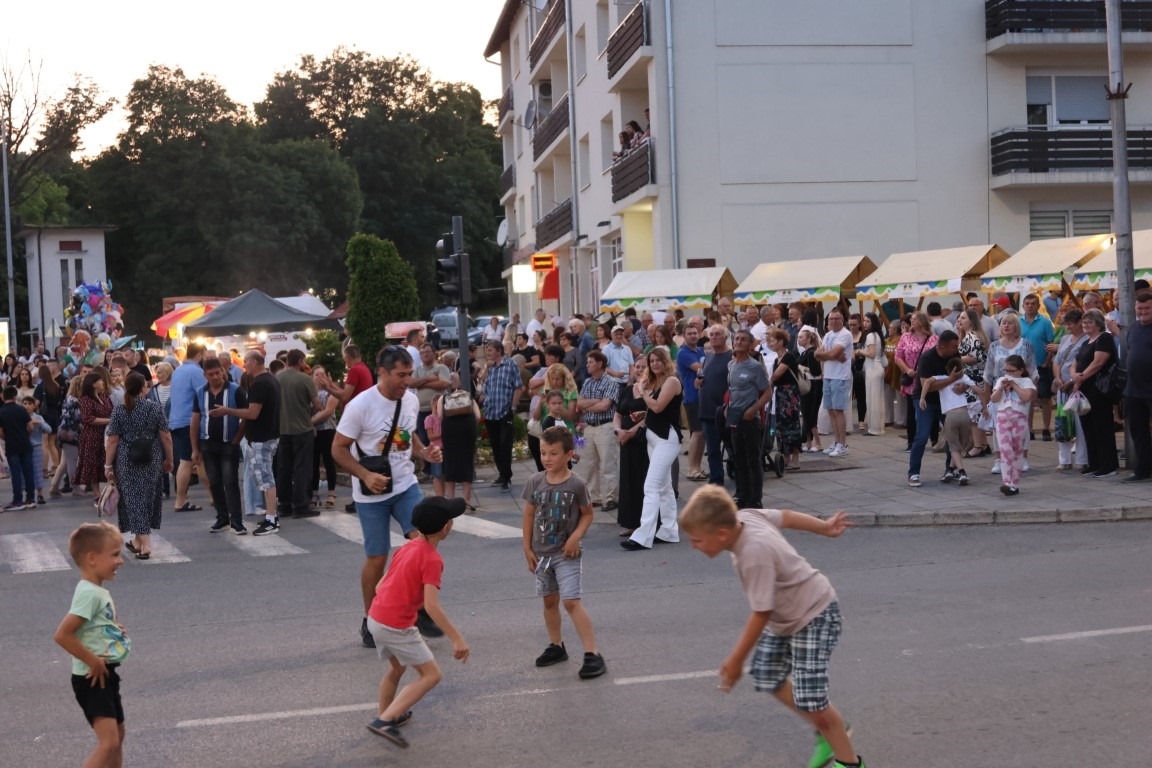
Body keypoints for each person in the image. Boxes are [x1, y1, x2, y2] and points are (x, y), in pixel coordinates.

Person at [678, 485, 865, 768]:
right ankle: (826, 731)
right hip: (787, 619)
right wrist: (824, 528)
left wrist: (735, 660)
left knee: (812, 701)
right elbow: (787, 516)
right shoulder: (745, 516)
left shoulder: (753, 554)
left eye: (697, 540)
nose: (693, 546)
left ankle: (848, 761)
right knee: (767, 673)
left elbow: (761, 612)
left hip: (814, 616)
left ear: (721, 534)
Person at [332, 346, 444, 647]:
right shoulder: (360, 406)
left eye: (409, 374)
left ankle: (419, 609)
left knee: (424, 541)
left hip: (405, 485)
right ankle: (370, 620)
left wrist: (423, 451)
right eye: (401, 375)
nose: (407, 381)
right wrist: (365, 475)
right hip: (372, 493)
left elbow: (407, 433)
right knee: (377, 557)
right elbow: (338, 448)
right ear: (382, 372)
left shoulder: (407, 400)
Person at [364, 496, 470, 749]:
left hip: (376, 618)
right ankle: (385, 720)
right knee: (431, 675)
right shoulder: (432, 559)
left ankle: (387, 714)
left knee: (397, 669)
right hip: (396, 626)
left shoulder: (407, 547)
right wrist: (457, 638)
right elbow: (431, 605)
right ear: (446, 528)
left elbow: (381, 585)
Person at [521, 425, 606, 678]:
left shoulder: (577, 484)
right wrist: (526, 548)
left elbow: (588, 514)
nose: (547, 458)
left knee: (570, 601)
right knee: (549, 600)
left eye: (553, 453)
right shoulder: (535, 481)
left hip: (566, 554)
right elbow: (528, 514)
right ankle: (556, 646)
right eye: (543, 453)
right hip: (541, 554)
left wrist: (576, 537)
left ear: (569, 454)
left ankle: (593, 654)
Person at [53, 522, 132, 768]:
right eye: (115, 555)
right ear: (92, 558)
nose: (120, 561)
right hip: (92, 677)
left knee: (118, 736)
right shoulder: (89, 593)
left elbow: (94, 626)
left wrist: (113, 630)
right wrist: (94, 661)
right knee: (108, 742)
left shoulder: (96, 590)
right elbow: (63, 634)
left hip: (104, 673)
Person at [211, 351, 280, 534]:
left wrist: (228, 411)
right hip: (270, 435)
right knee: (266, 476)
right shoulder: (272, 380)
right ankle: (272, 516)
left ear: (256, 362)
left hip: (261, 437)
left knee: (266, 479)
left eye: (247, 362)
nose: (244, 365)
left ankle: (271, 518)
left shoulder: (259, 384)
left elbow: (252, 413)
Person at [621, 347, 683, 551]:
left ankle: (642, 536)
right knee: (664, 487)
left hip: (667, 438)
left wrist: (644, 393)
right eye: (652, 361)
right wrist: (642, 414)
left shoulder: (672, 381)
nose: (655, 364)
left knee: (651, 486)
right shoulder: (655, 383)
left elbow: (658, 407)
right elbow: (653, 411)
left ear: (666, 361)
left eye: (658, 360)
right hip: (653, 437)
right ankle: (668, 531)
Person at [106, 373, 173, 559]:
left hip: (127, 459)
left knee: (132, 499)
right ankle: (138, 541)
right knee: (146, 498)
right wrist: (170, 459)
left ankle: (145, 544)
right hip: (152, 456)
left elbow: (112, 440)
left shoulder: (120, 410)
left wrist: (107, 465)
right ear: (143, 388)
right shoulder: (155, 407)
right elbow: (166, 436)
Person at [190, 358, 248, 534]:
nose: (215, 377)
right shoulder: (200, 392)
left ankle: (236, 520)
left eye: (218, 372)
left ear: (223, 371)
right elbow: (195, 421)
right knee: (214, 482)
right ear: (205, 375)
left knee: (230, 482)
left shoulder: (235, 390)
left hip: (228, 443)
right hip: (208, 443)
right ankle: (222, 517)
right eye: (211, 374)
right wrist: (195, 448)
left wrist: (237, 438)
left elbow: (246, 415)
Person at [984, 312, 1038, 475]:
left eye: (1010, 323)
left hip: (1021, 388)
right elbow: (988, 371)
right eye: (1003, 323)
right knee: (998, 426)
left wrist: (1033, 391)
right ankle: (999, 459)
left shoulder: (1026, 344)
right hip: (1000, 388)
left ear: (1017, 326)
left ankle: (1023, 457)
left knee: (1023, 425)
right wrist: (987, 396)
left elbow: (1032, 369)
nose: (1006, 326)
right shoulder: (994, 346)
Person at [907, 330, 961, 488]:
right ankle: (913, 473)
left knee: (952, 435)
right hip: (924, 399)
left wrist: (961, 385)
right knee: (922, 435)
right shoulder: (927, 358)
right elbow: (926, 385)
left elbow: (961, 375)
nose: (956, 349)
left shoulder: (954, 355)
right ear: (942, 346)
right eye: (953, 346)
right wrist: (951, 380)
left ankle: (951, 469)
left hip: (945, 400)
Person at [1071, 309, 1119, 479]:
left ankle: (1108, 465)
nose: (1085, 325)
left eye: (1089, 322)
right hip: (1084, 389)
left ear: (1098, 323)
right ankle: (1095, 463)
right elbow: (1075, 363)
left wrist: (1080, 378)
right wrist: (1075, 375)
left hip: (1098, 390)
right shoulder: (1085, 343)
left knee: (1102, 427)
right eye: (1084, 322)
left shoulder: (1104, 338)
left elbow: (1098, 362)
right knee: (1088, 428)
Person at [274, 349, 321, 521]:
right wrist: (308, 414)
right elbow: (317, 405)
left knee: (284, 468)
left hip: (282, 429)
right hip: (302, 429)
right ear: (301, 361)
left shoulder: (277, 378)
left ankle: (284, 505)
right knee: (302, 468)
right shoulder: (305, 379)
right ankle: (300, 505)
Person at [727, 330, 772, 508]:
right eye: (736, 339)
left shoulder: (755, 367)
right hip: (734, 416)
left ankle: (755, 499)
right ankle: (742, 495)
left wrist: (753, 409)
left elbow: (767, 392)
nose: (738, 342)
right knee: (738, 459)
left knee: (753, 459)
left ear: (750, 344)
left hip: (749, 418)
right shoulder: (730, 365)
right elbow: (732, 389)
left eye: (743, 339)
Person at [574, 350, 620, 511]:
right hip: (589, 427)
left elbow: (605, 405)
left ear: (600, 364)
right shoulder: (587, 382)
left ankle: (611, 498)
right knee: (590, 464)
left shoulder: (611, 382)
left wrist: (589, 405)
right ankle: (594, 497)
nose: (587, 365)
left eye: (590, 362)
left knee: (608, 463)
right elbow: (579, 404)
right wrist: (596, 401)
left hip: (605, 426)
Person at [168, 343, 207, 513]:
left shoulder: (178, 371)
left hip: (177, 420)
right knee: (188, 461)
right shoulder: (196, 371)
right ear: (200, 354)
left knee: (196, 461)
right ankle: (180, 500)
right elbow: (204, 394)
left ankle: (214, 496)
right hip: (189, 421)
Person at [991, 355, 1037, 495]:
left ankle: (1014, 484)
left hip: (1020, 419)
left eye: (1011, 371)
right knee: (1005, 451)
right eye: (1006, 370)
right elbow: (993, 399)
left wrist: (1014, 385)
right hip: (1003, 418)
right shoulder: (1001, 380)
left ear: (1020, 370)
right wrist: (1001, 388)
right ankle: (1006, 482)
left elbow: (1027, 397)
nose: (1008, 374)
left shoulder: (1026, 381)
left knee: (1017, 451)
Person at [613, 357, 649, 537]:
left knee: (642, 480)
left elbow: (650, 416)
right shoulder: (627, 390)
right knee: (628, 481)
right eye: (637, 367)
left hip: (643, 440)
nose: (640, 369)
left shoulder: (651, 390)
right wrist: (619, 430)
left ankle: (646, 522)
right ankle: (631, 522)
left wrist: (631, 432)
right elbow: (618, 414)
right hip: (625, 440)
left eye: (644, 367)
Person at [480, 340, 522, 492]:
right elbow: (483, 383)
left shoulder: (510, 365)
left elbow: (518, 387)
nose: (487, 353)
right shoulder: (491, 367)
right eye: (487, 350)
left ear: (499, 351)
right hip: (491, 411)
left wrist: (513, 408)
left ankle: (506, 476)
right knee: (496, 445)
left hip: (504, 411)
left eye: (490, 350)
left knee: (505, 444)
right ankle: (501, 474)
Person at [1051, 309, 1088, 470]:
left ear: (1080, 322)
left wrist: (1072, 381)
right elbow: (1057, 361)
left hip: (1077, 386)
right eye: (1066, 324)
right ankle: (1064, 459)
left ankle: (1082, 458)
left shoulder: (1086, 340)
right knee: (1062, 421)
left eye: (1070, 324)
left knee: (1080, 423)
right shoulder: (1065, 339)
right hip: (1062, 386)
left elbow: (1083, 363)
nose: (1067, 327)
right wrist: (1058, 378)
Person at [895, 312, 938, 452]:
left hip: (928, 379)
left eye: (915, 319)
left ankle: (934, 439)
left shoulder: (933, 338)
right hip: (913, 379)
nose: (912, 321)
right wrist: (907, 370)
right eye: (911, 319)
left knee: (931, 408)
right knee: (911, 410)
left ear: (923, 321)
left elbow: (938, 356)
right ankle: (911, 441)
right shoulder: (905, 337)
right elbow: (898, 357)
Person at [434, 384, 481, 509]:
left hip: (450, 432)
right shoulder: (468, 397)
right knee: (467, 463)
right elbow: (478, 416)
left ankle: (451, 499)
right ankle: (467, 501)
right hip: (467, 430)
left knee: (450, 463)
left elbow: (439, 416)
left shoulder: (443, 398)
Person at [929, 358, 976, 486]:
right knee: (961, 444)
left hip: (951, 416)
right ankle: (951, 470)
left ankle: (961, 471)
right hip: (965, 415)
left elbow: (927, 382)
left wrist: (922, 398)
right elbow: (977, 390)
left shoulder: (942, 379)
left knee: (954, 446)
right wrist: (985, 405)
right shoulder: (964, 378)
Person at [698, 325, 734, 484]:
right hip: (707, 409)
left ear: (725, 337)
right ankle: (716, 480)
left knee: (732, 448)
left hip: (725, 411)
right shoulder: (708, 356)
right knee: (712, 450)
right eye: (711, 335)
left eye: (717, 334)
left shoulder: (731, 357)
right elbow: (703, 379)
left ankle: (740, 479)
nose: (713, 337)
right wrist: (697, 383)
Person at [814, 310, 853, 457]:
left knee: (838, 410)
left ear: (842, 320)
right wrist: (830, 356)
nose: (833, 321)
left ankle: (842, 444)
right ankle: (836, 441)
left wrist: (829, 355)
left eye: (837, 318)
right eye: (831, 319)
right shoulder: (828, 335)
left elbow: (833, 353)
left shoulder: (845, 334)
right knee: (830, 410)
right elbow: (818, 354)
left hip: (840, 376)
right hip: (828, 375)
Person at [1123, 291, 1152, 482]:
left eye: (1147, 308)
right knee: (1138, 431)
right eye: (1140, 309)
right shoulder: (1133, 327)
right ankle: (1143, 469)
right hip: (1134, 390)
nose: (1143, 312)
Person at [955, 309, 991, 458]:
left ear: (971, 320)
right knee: (977, 412)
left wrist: (956, 360)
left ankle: (977, 446)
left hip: (974, 379)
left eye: (963, 318)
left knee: (974, 414)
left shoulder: (972, 337)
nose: (960, 320)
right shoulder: (971, 336)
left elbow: (974, 357)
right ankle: (983, 444)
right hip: (976, 378)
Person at [1019, 293, 1055, 441]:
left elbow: (1050, 344)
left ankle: (1046, 428)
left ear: (1038, 306)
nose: (1029, 306)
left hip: (1041, 364)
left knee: (1045, 398)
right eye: (1026, 303)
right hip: (1023, 367)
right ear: (1023, 306)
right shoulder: (1018, 321)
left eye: (1032, 303)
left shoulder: (1045, 322)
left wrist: (1047, 362)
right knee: (1028, 399)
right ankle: (1029, 429)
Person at [74, 373, 114, 500]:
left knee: (108, 461)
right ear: (93, 384)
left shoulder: (105, 397)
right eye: (100, 381)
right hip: (92, 436)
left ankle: (113, 489)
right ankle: (96, 493)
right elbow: (88, 418)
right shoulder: (86, 399)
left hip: (106, 434)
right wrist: (108, 420)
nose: (103, 383)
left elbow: (112, 411)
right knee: (92, 463)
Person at [677, 323, 708, 480]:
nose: (693, 336)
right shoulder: (683, 353)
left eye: (695, 333)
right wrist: (711, 363)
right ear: (684, 336)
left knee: (702, 433)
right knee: (696, 432)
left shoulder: (701, 350)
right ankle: (690, 468)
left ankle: (698, 466)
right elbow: (701, 368)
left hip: (703, 397)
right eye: (689, 333)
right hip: (692, 397)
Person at [308, 365, 340, 507]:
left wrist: (309, 422)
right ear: (312, 377)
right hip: (314, 431)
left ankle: (331, 492)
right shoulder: (310, 392)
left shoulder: (331, 392)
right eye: (317, 375)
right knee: (314, 462)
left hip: (328, 429)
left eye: (322, 375)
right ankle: (314, 492)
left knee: (328, 461)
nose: (320, 378)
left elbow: (328, 412)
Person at [0, 386, 36, 509]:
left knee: (16, 474)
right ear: (15, 396)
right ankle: (31, 498)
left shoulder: (1, 412)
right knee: (28, 472)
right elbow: (31, 427)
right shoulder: (22, 410)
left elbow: (0, 432)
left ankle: (17, 500)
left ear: (3, 397)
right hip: (25, 444)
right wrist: (26, 436)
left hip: (12, 446)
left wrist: (7, 438)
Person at [50, 376, 83, 498]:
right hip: (70, 434)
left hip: (67, 432)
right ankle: (75, 487)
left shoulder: (70, 399)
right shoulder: (73, 400)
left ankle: (54, 486)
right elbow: (68, 417)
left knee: (64, 462)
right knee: (72, 462)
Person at [797, 327, 824, 453]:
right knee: (806, 414)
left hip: (813, 386)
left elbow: (816, 371)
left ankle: (817, 442)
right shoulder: (804, 352)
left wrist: (801, 367)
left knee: (811, 414)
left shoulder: (811, 352)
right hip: (807, 386)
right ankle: (808, 442)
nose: (798, 340)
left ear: (809, 339)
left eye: (801, 337)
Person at [859, 313, 886, 436]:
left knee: (872, 400)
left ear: (873, 323)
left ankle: (874, 428)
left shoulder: (870, 336)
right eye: (864, 320)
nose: (865, 323)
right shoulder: (877, 335)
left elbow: (871, 354)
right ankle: (878, 426)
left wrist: (859, 351)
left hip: (872, 368)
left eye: (868, 321)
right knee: (878, 399)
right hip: (878, 367)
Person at [35, 364, 63, 480]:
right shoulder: (56, 385)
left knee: (44, 444)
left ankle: (44, 469)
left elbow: (36, 403)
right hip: (54, 415)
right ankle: (56, 467)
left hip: (44, 416)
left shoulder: (40, 387)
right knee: (52, 443)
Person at [23, 395, 52, 504]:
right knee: (25, 471)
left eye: (29, 404)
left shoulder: (38, 417)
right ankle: (27, 493)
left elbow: (49, 430)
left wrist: (40, 423)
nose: (27, 406)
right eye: (25, 403)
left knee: (37, 470)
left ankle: (40, 493)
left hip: (36, 446)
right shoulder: (21, 416)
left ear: (34, 406)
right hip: (24, 446)